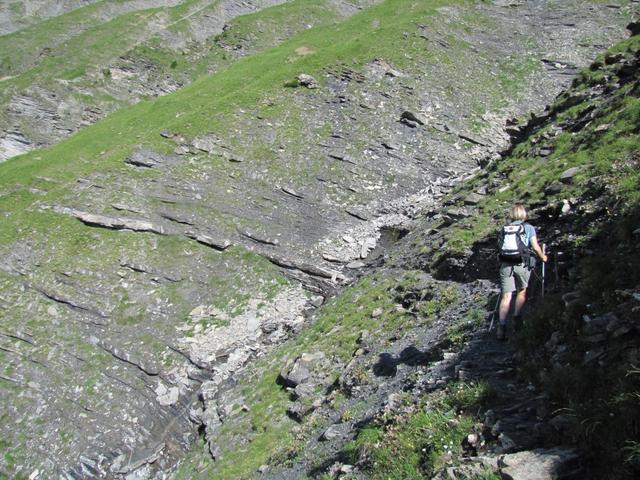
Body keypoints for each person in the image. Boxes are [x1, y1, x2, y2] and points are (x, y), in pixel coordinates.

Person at [496, 203, 547, 340]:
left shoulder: (504, 228)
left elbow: (499, 246)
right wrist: (543, 256)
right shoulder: (528, 228)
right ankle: (516, 318)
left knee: (506, 296)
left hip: (506, 264)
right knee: (522, 291)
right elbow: (535, 247)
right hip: (522, 264)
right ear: (524, 214)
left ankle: (501, 327)